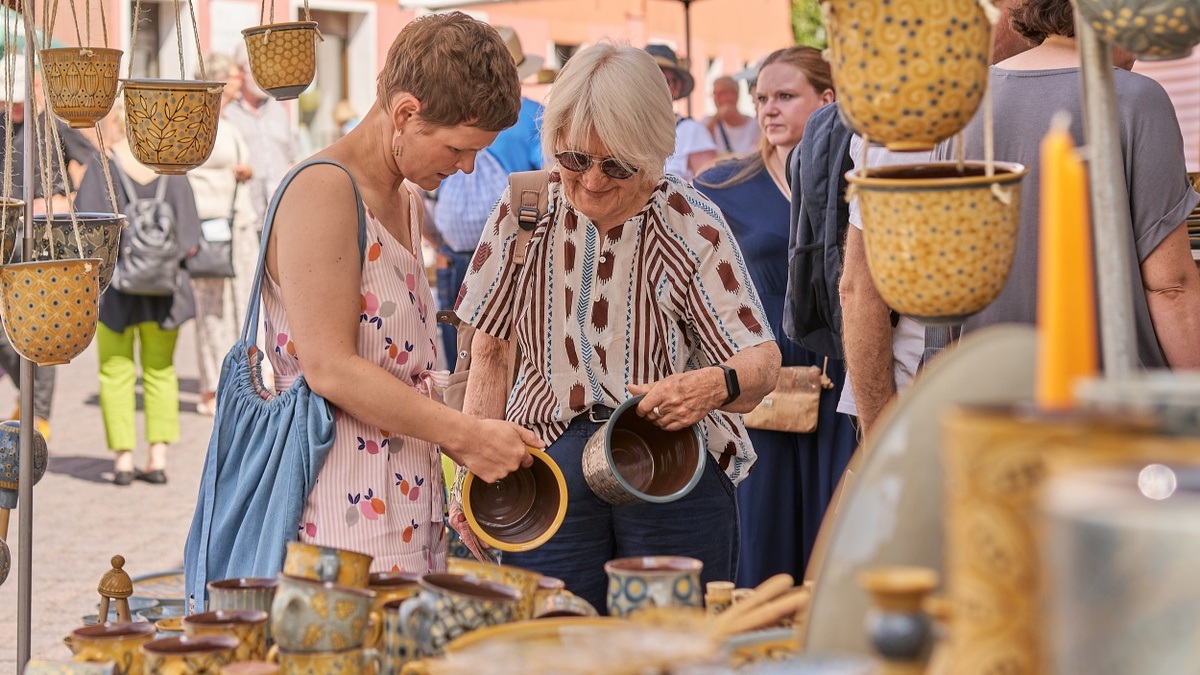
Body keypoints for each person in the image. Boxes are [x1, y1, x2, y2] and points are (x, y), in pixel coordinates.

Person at [452, 43, 782, 611]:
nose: (594, 181)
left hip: (669, 466)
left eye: (618, 165)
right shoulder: (525, 209)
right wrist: (473, 477)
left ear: (652, 155)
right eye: (575, 159)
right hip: (544, 472)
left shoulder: (689, 222)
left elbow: (762, 362)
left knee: (672, 646)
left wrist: (709, 387)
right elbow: (492, 350)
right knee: (556, 646)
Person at [260, 12, 540, 573]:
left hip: (404, 499)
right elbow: (331, 368)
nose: (467, 167)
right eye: (459, 148)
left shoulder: (405, 198)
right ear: (406, 113)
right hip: (338, 506)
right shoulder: (323, 189)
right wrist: (466, 435)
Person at [930, 0, 1200, 370]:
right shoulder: (1136, 100)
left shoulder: (963, 101)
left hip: (986, 390)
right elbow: (1171, 287)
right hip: (1113, 396)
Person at [696, 46, 855, 585]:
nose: (768, 109)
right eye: (761, 97)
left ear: (828, 100)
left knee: (835, 536)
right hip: (764, 386)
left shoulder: (858, 178)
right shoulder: (722, 186)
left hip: (841, 381)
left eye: (786, 96)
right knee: (762, 537)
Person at [838, 0, 1035, 434]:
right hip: (921, 400)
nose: (1027, 16)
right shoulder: (917, 115)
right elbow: (860, 291)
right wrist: (879, 430)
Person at [74, 101, 201, 486]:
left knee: (115, 372)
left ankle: (123, 460)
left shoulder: (102, 165)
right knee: (162, 372)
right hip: (165, 293)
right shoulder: (172, 168)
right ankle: (157, 458)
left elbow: (85, 229)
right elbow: (191, 238)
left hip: (113, 289)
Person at [432, 24, 545, 370]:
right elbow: (546, 180)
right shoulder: (534, 116)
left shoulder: (453, 115)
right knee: (501, 353)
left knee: (458, 355)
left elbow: (427, 194)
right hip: (511, 254)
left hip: (452, 255)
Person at [0, 54, 101, 441]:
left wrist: (67, 200)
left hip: (43, 240)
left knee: (44, 326)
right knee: (6, 331)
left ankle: (38, 413)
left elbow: (95, 160)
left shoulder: (50, 126)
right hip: (5, 241)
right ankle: (27, 398)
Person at [185, 53, 257, 416]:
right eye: (233, 75)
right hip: (212, 226)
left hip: (239, 223)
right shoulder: (197, 120)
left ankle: (239, 378)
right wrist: (233, 173)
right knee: (211, 308)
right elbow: (191, 173)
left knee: (242, 303)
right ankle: (211, 384)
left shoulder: (229, 121)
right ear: (218, 81)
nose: (240, 81)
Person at [225, 45, 301, 232]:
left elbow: (293, 156)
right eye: (256, 71)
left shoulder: (278, 108)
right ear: (241, 74)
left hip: (282, 210)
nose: (265, 77)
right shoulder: (228, 112)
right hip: (246, 214)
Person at [645, 44, 716, 183]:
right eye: (647, 80)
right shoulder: (623, 130)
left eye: (663, 80)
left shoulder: (692, 131)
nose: (654, 87)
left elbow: (711, 191)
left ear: (676, 88)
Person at [704, 75, 760, 157]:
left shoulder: (755, 125)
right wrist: (715, 119)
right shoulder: (708, 122)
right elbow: (703, 143)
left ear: (735, 94)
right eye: (714, 94)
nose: (717, 98)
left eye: (721, 93)